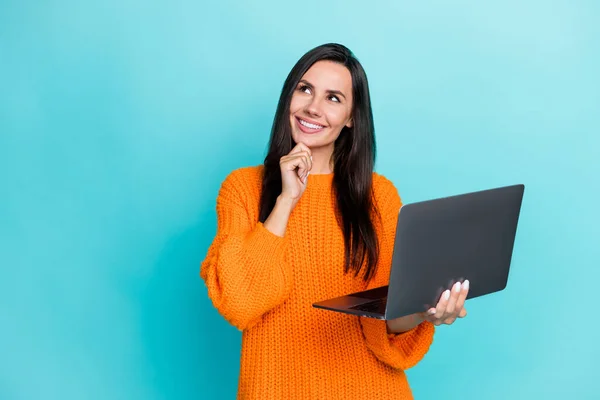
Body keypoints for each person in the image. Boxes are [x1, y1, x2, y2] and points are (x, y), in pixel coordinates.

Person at [200, 43, 469, 399]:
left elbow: (387, 318)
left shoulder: (379, 196)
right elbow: (240, 302)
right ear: (289, 96)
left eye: (334, 98)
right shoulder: (243, 189)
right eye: (305, 89)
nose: (313, 107)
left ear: (352, 117)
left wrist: (425, 313)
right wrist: (285, 201)